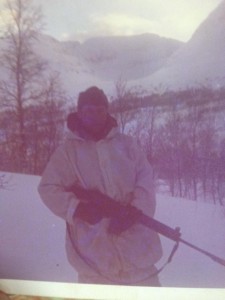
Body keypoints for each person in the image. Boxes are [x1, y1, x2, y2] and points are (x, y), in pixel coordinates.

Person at [38, 86, 163, 286]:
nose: (94, 116)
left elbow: (145, 180)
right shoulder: (67, 152)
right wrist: (78, 209)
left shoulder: (128, 145)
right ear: (79, 112)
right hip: (95, 266)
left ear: (107, 111)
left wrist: (135, 212)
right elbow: (47, 188)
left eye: (99, 110)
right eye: (88, 111)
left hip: (140, 261)